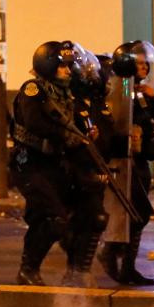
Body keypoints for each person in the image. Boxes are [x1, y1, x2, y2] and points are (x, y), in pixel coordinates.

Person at [12, 41, 82, 285]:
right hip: (29, 163)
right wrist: (64, 136)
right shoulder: (33, 89)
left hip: (53, 163)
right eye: (63, 66)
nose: (68, 70)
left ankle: (29, 270)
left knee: (44, 218)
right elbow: (34, 123)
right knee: (54, 218)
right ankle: (28, 268)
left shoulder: (64, 91)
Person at [100, 41, 154, 286]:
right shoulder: (118, 90)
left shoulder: (137, 91)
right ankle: (109, 253)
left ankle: (127, 266)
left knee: (137, 216)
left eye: (144, 63)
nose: (143, 67)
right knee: (135, 215)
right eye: (138, 63)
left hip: (140, 162)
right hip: (124, 162)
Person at [63, 44, 112, 287]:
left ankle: (79, 270)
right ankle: (76, 270)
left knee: (91, 219)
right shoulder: (67, 100)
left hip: (93, 165)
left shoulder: (89, 100)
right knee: (88, 219)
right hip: (75, 169)